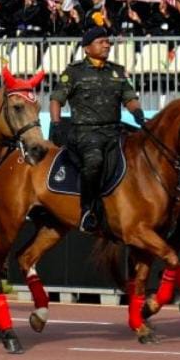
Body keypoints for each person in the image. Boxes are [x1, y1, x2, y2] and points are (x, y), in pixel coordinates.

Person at [50, 25, 146, 233]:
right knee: (94, 161)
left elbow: (129, 98)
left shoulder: (117, 71)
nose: (106, 45)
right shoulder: (73, 72)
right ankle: (88, 210)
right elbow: (57, 100)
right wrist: (55, 123)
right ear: (87, 48)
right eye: (101, 42)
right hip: (85, 133)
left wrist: (137, 112)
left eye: (107, 42)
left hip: (115, 130)